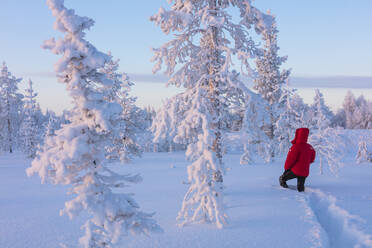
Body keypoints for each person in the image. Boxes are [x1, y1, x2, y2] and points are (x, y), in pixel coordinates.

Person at [279, 128, 316, 192]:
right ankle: (301, 194)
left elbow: (290, 159)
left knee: (282, 178)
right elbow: (312, 159)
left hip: (295, 171)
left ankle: (284, 189)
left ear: (297, 135)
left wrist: (286, 168)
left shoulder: (296, 146)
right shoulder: (310, 147)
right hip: (305, 171)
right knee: (300, 186)